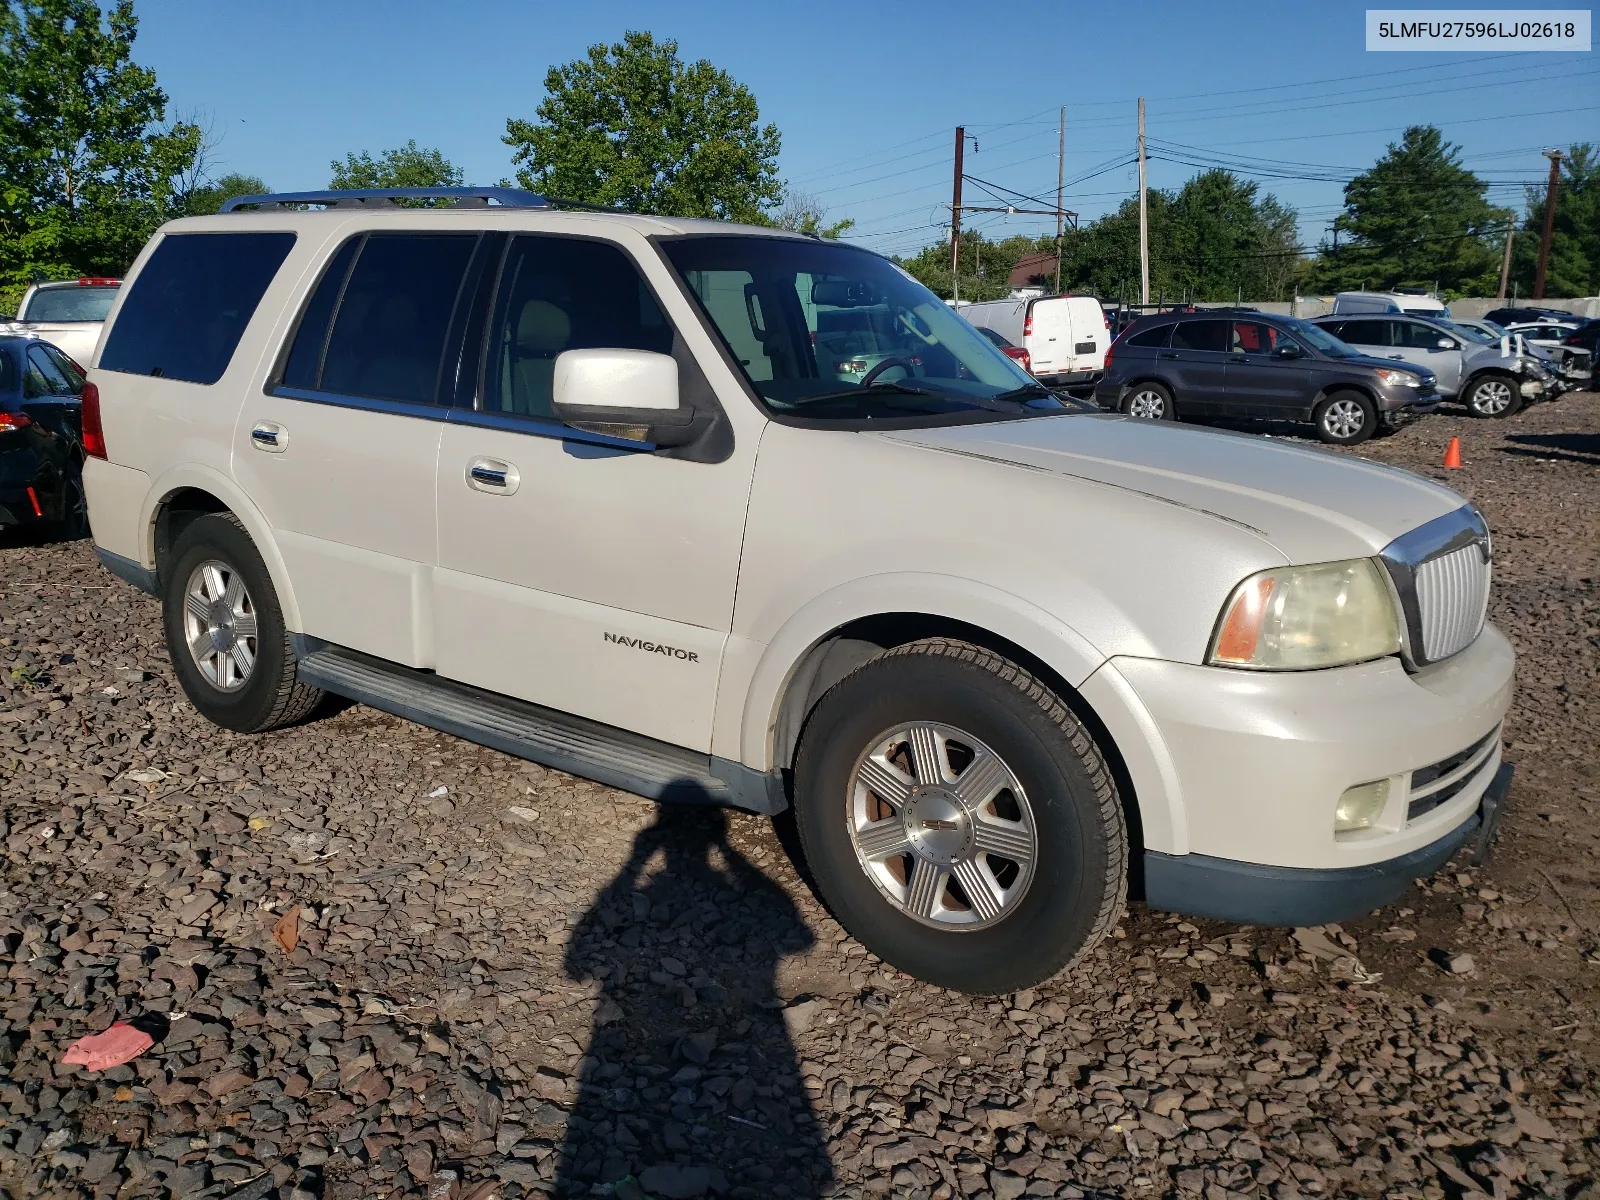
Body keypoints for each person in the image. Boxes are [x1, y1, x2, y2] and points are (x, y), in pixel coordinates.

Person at [555, 792, 834, 1196]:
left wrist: (633, 864)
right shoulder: (731, 883)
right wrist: (728, 853)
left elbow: (574, 967)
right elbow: (799, 940)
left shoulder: (656, 886)